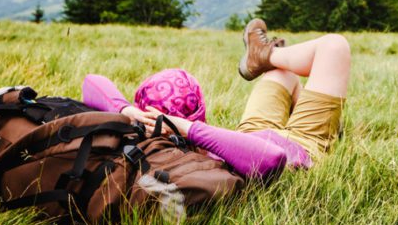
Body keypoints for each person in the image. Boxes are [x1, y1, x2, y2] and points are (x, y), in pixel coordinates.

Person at [81, 19, 350, 181]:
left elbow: (91, 82)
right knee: (334, 46)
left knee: (283, 73)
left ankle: (266, 60)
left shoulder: (143, 123)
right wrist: (188, 129)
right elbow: (272, 158)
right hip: (301, 147)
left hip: (250, 134)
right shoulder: (188, 156)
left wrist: (124, 109)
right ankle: (320, 125)